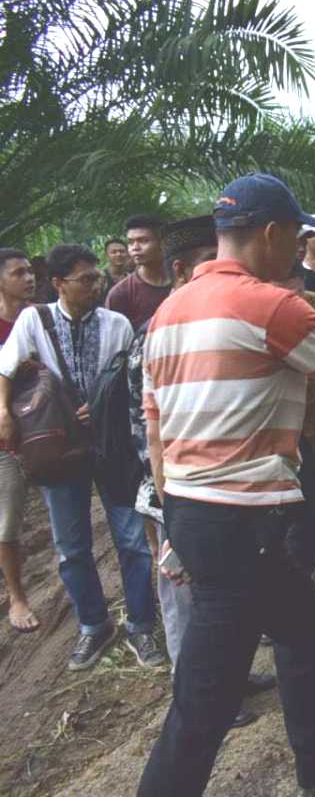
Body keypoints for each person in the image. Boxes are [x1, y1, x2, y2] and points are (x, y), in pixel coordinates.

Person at [137, 173, 315, 795]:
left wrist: (175, 516)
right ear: (273, 233)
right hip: (237, 519)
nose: (298, 251)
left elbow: (155, 428)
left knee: (302, 625)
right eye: (295, 237)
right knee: (205, 699)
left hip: (197, 511)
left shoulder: (168, 313)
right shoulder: (272, 306)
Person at [126, 215, 275, 728]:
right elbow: (149, 432)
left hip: (208, 489)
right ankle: (201, 699)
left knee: (225, 599)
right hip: (174, 490)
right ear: (181, 269)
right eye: (210, 263)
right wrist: (171, 501)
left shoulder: (201, 319)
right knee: (188, 604)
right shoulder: (159, 331)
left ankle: (231, 678)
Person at [0, 244, 161, 668]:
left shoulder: (117, 324)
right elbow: (5, 367)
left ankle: (142, 626)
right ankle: (94, 625)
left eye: (97, 278)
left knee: (131, 540)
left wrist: (104, 404)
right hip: (59, 447)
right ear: (58, 284)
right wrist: (3, 413)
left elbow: (135, 377)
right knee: (71, 546)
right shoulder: (35, 320)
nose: (96, 284)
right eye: (85, 279)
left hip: (114, 447)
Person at [277, 260, 315, 588]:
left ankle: (305, 587)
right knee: (281, 521)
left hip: (311, 430)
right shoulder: (258, 317)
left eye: (298, 293)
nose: (294, 303)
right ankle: (286, 600)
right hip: (272, 439)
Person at [0, 248, 38, 632]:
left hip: (48, 431)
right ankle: (17, 595)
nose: (28, 278)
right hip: (5, 438)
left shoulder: (40, 317)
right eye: (17, 273)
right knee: (7, 523)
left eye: (29, 271)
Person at [106, 214, 172, 329]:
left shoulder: (184, 282)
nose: (135, 247)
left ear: (163, 243)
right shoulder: (121, 293)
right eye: (131, 242)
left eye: (143, 241)